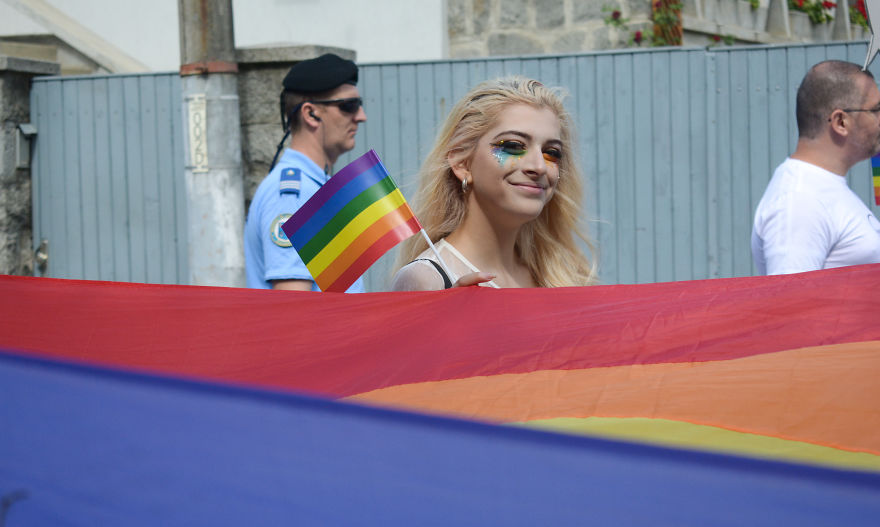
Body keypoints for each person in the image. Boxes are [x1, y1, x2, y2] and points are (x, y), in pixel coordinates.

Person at [390, 76, 597, 290]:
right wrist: (451, 320)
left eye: (551, 152)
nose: (539, 167)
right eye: (514, 146)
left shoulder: (561, 276)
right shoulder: (426, 279)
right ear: (462, 163)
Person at [245, 53, 368, 291]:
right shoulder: (294, 195)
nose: (361, 116)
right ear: (311, 114)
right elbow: (293, 310)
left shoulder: (313, 186)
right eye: (348, 106)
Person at [751, 60, 880, 275]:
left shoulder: (820, 189)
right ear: (840, 122)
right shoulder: (800, 201)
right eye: (875, 110)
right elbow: (792, 304)